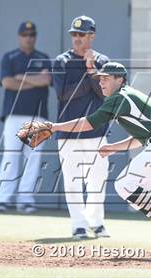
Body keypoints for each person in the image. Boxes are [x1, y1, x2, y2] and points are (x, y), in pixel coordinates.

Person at [20, 62, 151, 249]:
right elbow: (142, 136)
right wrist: (115, 147)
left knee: (124, 185)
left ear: (120, 79)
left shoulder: (120, 97)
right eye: (99, 78)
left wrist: (55, 126)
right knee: (137, 195)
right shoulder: (128, 96)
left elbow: (90, 122)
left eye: (106, 78)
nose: (101, 82)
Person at [51, 16, 110, 240]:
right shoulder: (62, 61)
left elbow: (104, 93)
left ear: (91, 36)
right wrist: (89, 75)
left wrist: (92, 67)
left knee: (97, 181)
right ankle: (78, 224)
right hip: (68, 133)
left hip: (96, 130)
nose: (76, 38)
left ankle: (96, 223)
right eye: (74, 34)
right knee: (73, 180)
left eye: (81, 34)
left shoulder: (103, 60)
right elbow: (62, 94)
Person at [0, 21, 51, 213]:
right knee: (11, 157)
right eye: (25, 35)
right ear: (19, 36)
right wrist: (33, 81)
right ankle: (2, 199)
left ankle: (26, 200)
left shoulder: (43, 58)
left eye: (32, 35)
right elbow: (7, 83)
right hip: (14, 115)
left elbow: (46, 80)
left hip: (38, 117)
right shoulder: (9, 57)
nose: (29, 38)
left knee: (33, 159)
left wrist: (22, 77)